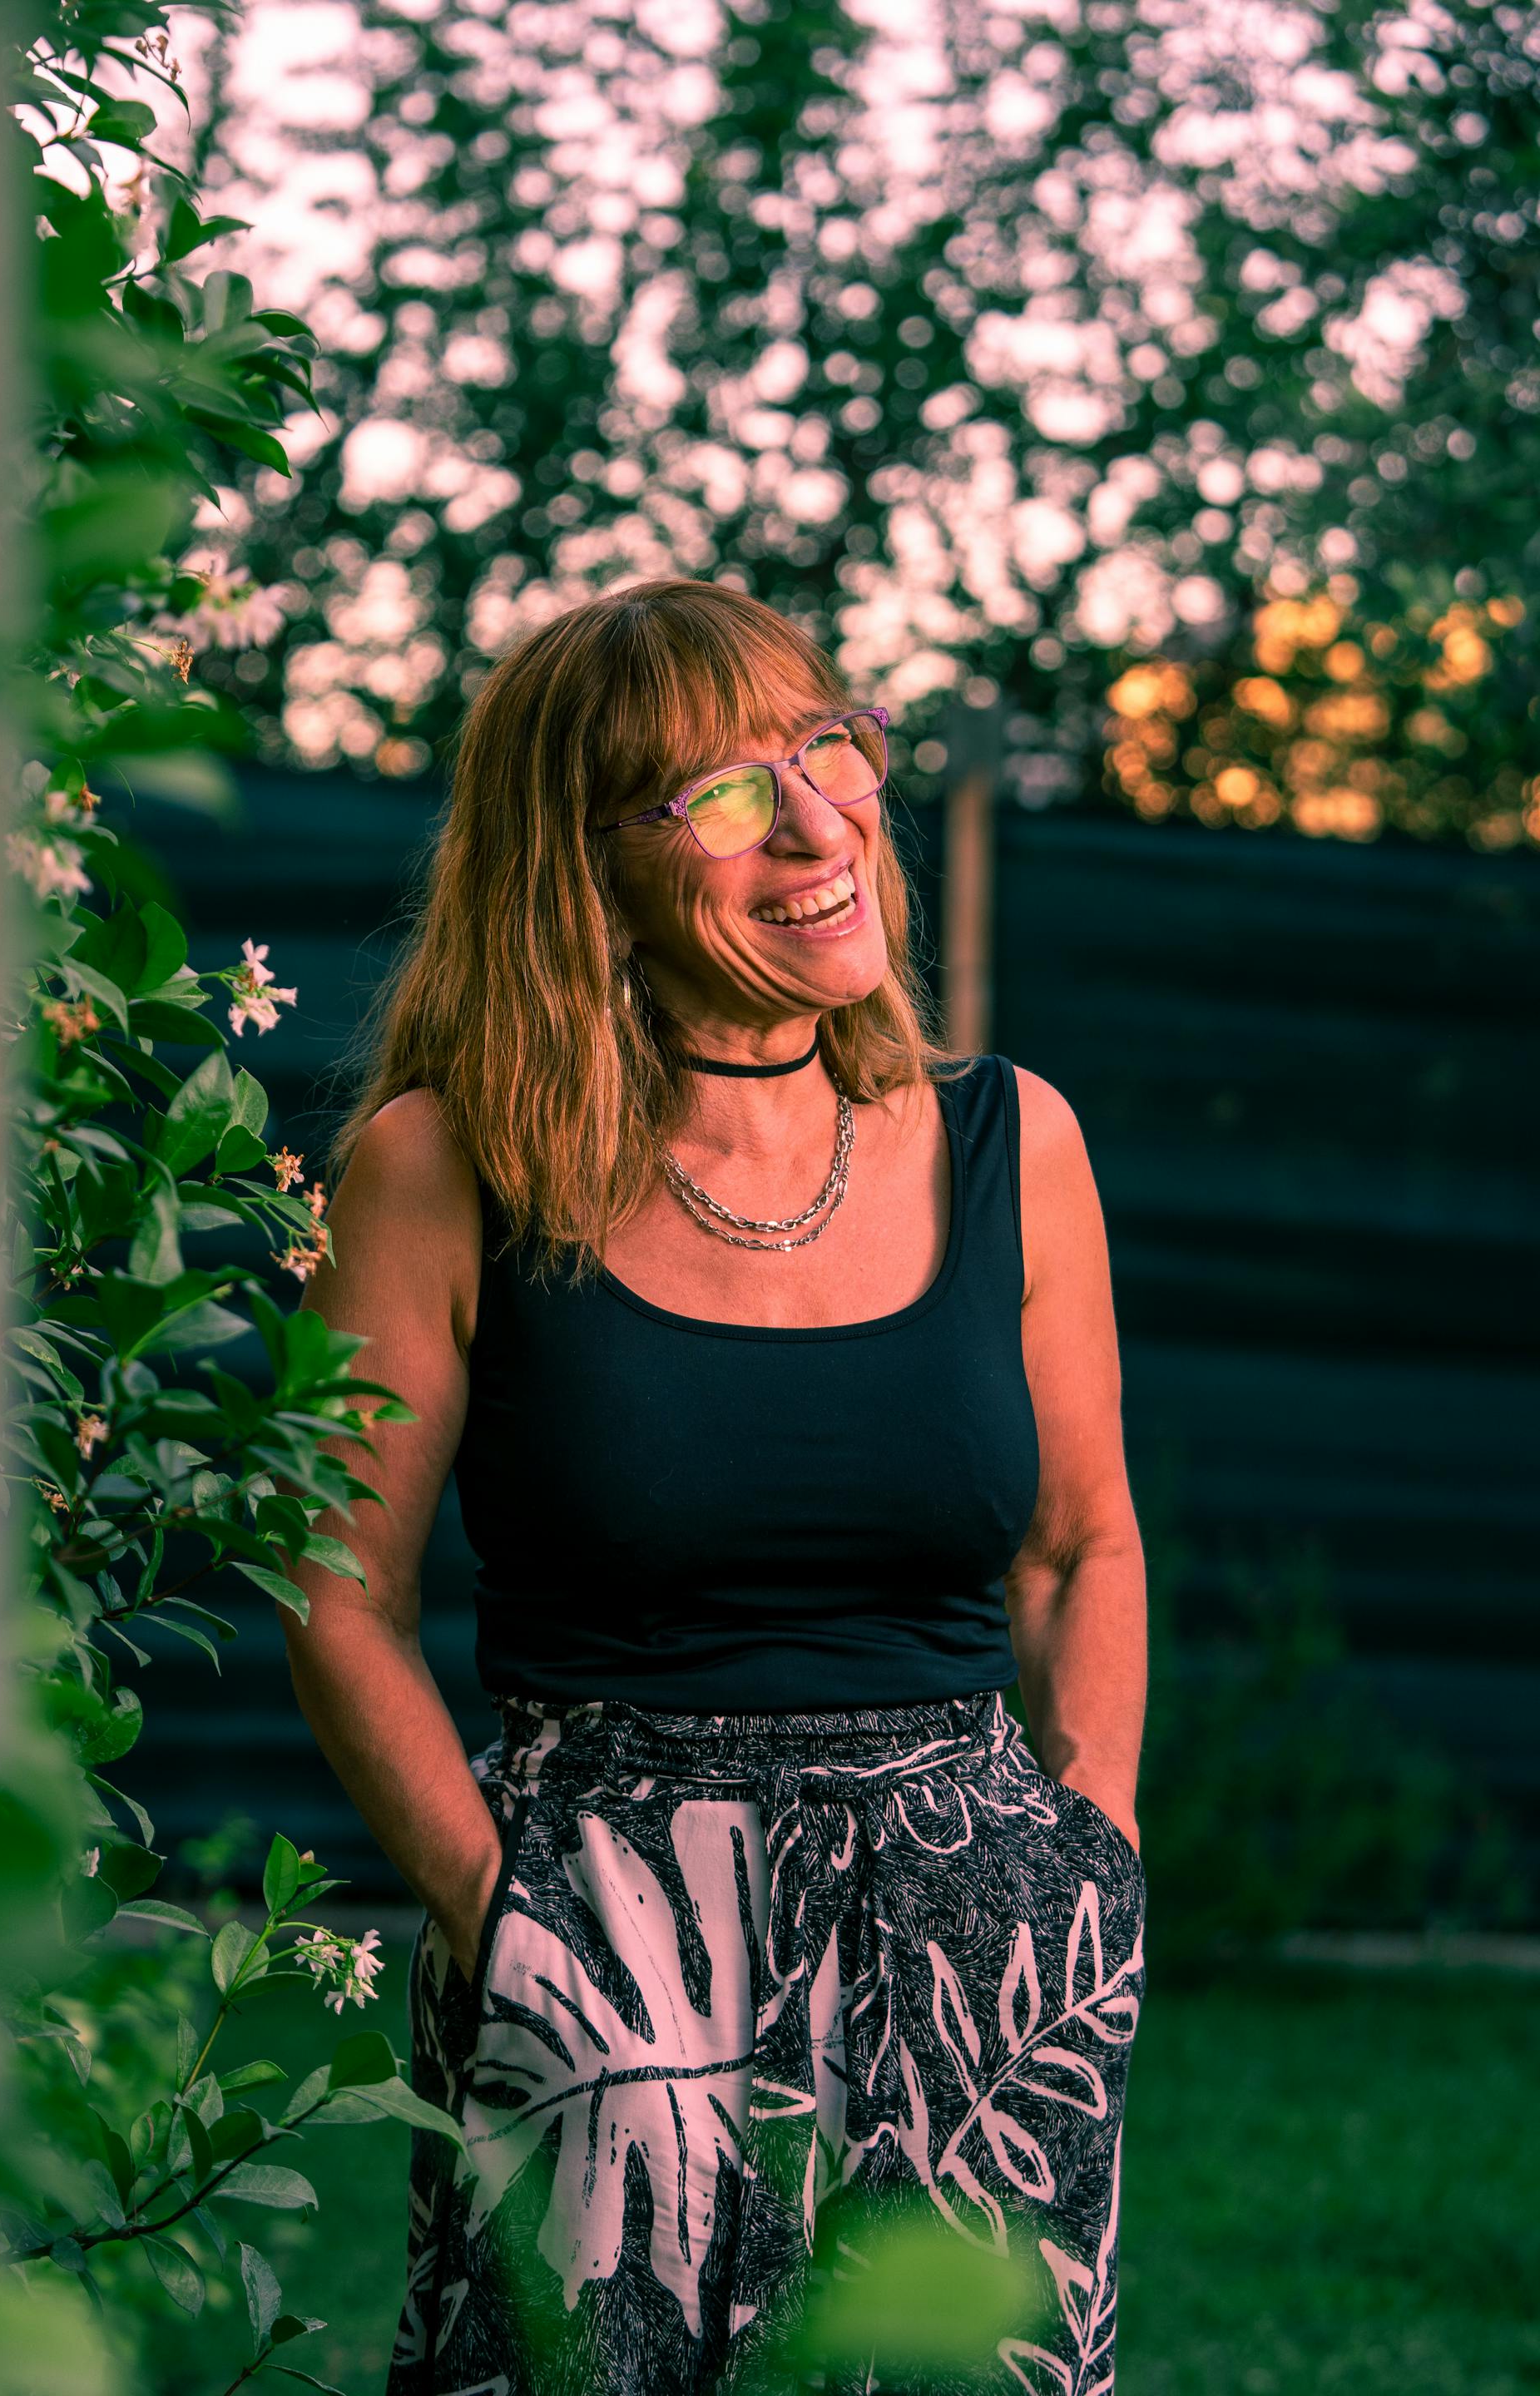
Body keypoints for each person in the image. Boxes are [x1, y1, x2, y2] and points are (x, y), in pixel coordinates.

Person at [283, 578, 1147, 2396]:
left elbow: (1078, 1547)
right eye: (729, 797)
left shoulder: (1015, 1139)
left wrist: (1093, 1860)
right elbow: (335, 1586)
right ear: (584, 870)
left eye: (827, 751)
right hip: (603, 1941)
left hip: (979, 1951)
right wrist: (502, 1923)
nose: (821, 825)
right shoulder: (448, 1165)